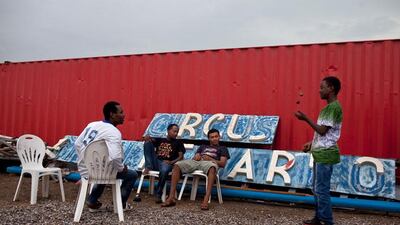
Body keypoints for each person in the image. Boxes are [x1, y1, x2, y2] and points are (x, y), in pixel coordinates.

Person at [295, 76, 343, 225]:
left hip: (326, 155)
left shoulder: (333, 107)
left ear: (331, 89)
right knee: (316, 188)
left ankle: (327, 221)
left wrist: (305, 118)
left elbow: (322, 130)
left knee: (321, 190)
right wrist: (311, 143)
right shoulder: (328, 108)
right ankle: (318, 218)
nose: (319, 90)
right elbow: (326, 134)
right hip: (320, 152)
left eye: (322, 87)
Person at [74, 101, 138, 211]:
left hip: (85, 169)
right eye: (121, 112)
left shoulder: (92, 124)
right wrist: (121, 169)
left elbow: (77, 144)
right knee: (132, 174)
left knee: (106, 166)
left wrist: (86, 162)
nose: (124, 115)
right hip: (99, 171)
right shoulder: (114, 132)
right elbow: (115, 157)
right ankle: (118, 205)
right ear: (112, 114)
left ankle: (93, 200)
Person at [161, 128, 230, 210]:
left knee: (212, 168)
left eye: (216, 136)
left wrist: (210, 159)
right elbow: (195, 157)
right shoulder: (203, 146)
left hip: (210, 163)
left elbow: (222, 164)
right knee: (177, 165)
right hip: (197, 162)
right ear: (209, 138)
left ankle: (206, 199)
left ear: (219, 137)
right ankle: (171, 197)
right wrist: (196, 156)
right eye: (212, 137)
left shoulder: (223, 148)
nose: (214, 138)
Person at [142, 123, 186, 203]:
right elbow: (151, 141)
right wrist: (148, 138)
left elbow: (181, 157)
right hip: (156, 162)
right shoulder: (160, 140)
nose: (176, 133)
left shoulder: (178, 142)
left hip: (167, 163)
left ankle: (158, 194)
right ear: (168, 131)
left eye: (177, 132)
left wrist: (171, 162)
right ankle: (148, 166)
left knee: (164, 170)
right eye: (174, 131)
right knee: (147, 143)